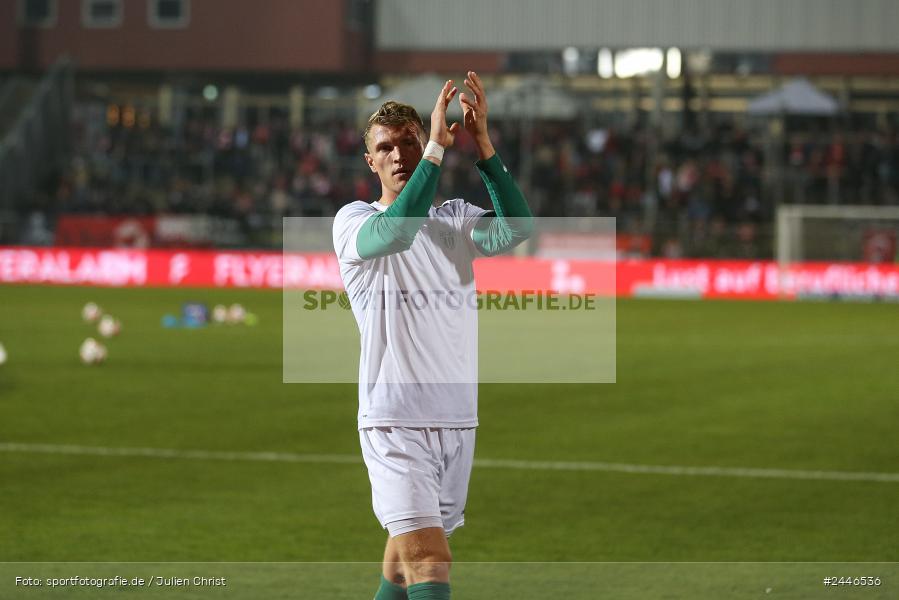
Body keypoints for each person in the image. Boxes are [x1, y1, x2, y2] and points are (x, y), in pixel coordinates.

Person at [332, 71, 533, 600]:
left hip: (456, 419)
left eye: (409, 142)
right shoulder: (354, 222)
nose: (398, 154)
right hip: (395, 423)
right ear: (370, 161)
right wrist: (437, 152)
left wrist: (483, 142)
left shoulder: (456, 222)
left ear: (422, 142)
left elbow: (518, 227)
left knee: (404, 562)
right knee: (430, 562)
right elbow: (398, 230)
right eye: (386, 148)